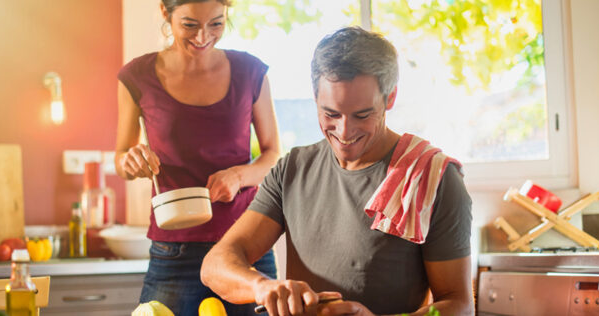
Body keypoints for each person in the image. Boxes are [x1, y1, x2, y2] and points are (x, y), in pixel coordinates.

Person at [201, 27, 474, 316]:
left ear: (390, 98)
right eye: (331, 114)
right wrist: (262, 286)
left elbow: (460, 305)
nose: (344, 132)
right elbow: (215, 264)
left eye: (362, 115)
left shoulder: (433, 178)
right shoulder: (292, 169)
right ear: (315, 99)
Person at [114, 0, 281, 314]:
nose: (203, 36)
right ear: (165, 12)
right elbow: (121, 159)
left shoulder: (251, 72)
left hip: (246, 242)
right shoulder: (137, 76)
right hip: (174, 249)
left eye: (216, 24)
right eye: (190, 24)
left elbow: (273, 155)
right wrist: (130, 160)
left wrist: (239, 176)